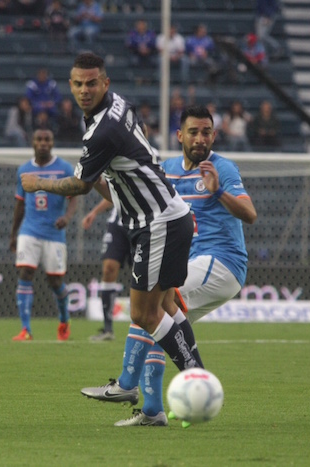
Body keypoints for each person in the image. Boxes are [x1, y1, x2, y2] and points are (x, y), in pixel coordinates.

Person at [21, 52, 202, 371]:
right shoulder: (118, 103)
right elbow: (118, 159)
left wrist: (39, 182)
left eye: (92, 83)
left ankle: (193, 376)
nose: (84, 90)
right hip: (169, 214)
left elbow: (79, 185)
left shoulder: (102, 130)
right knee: (167, 304)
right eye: (78, 84)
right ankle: (193, 378)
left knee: (143, 314)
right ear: (70, 85)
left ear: (105, 82)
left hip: (157, 222)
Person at [82, 105, 257, 427]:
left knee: (149, 305)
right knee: (159, 326)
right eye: (193, 131)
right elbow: (127, 199)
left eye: (206, 132)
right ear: (180, 135)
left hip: (221, 261)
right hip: (185, 262)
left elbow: (249, 214)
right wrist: (93, 176)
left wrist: (218, 191)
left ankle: (127, 384)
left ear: (214, 135)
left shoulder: (224, 169)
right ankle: (152, 411)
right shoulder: (167, 168)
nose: (200, 138)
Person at [10, 128, 79, 341]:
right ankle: (25, 329)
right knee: (25, 273)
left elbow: (74, 196)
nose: (42, 143)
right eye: (38, 139)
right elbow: (19, 205)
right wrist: (13, 234)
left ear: (52, 142)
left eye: (46, 139)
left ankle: (64, 320)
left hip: (54, 234)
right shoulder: (24, 169)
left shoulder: (64, 168)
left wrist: (67, 217)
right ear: (32, 142)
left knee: (55, 282)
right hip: (29, 230)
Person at [81, 199, 129, 341]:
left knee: (141, 273)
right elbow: (111, 191)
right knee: (108, 269)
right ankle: (108, 329)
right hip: (118, 224)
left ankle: (148, 328)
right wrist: (94, 212)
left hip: (142, 223)